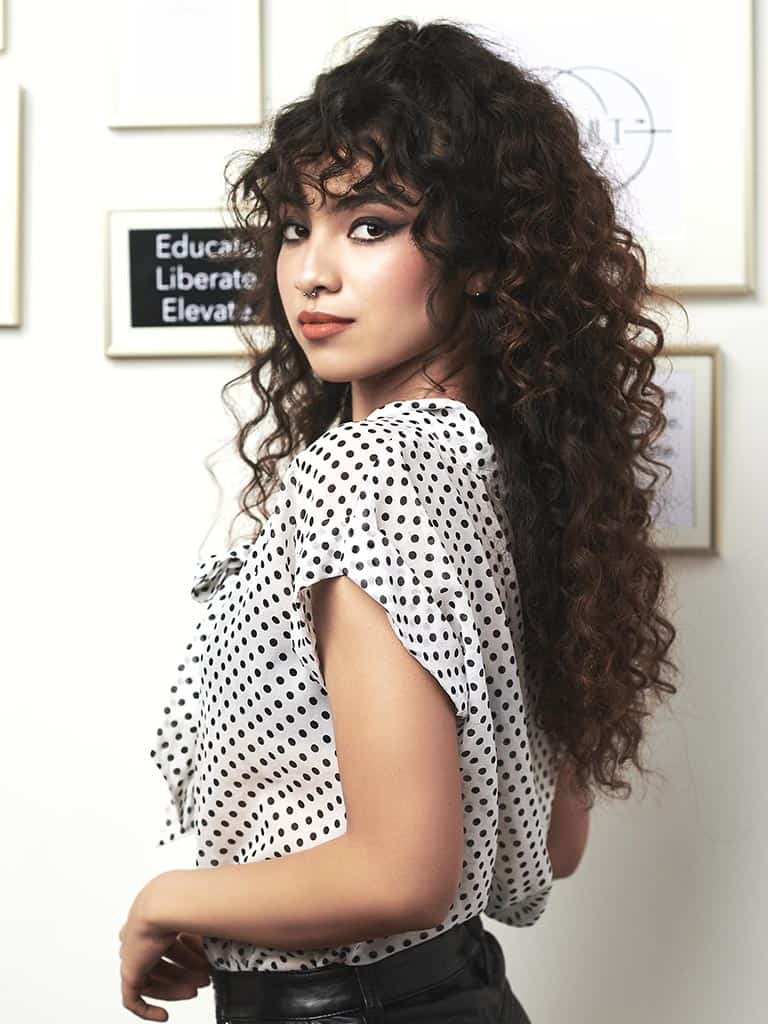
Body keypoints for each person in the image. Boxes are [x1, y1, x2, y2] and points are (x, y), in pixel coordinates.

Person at [119, 17, 682, 1023]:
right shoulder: (506, 471)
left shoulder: (376, 472)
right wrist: (262, 901)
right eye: (297, 224)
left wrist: (171, 897)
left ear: (479, 256)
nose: (311, 272)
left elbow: (402, 872)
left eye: (368, 224)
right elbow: (550, 840)